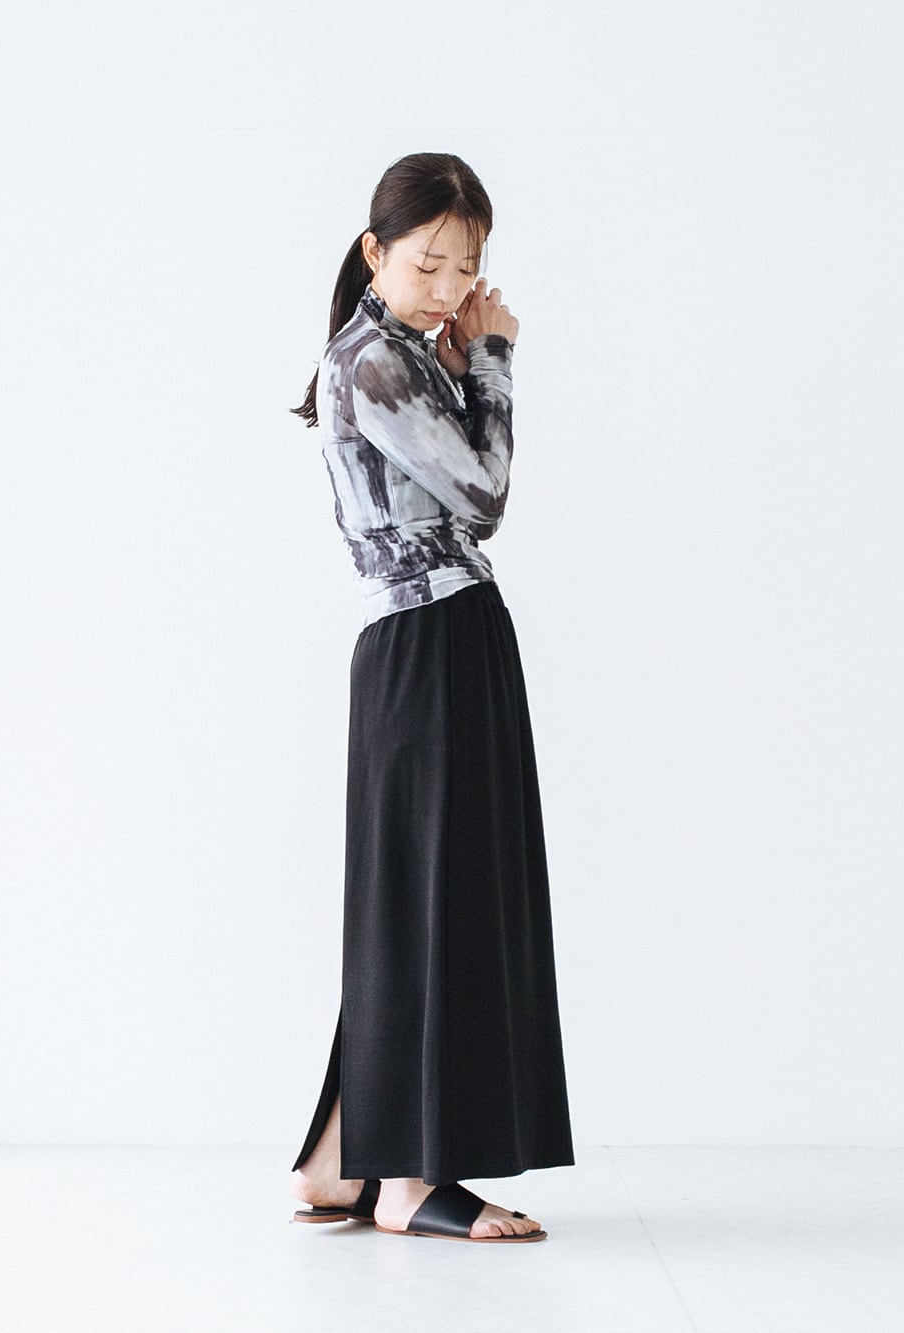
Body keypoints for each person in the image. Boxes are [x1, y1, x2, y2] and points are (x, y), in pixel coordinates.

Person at [284, 152, 574, 1244]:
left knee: (417, 895)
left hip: (436, 638)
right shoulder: (373, 362)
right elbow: (484, 494)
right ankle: (409, 1182)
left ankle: (337, 1161)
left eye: (467, 266)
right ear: (375, 252)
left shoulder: (402, 354)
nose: (450, 286)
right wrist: (492, 359)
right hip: (429, 637)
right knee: (429, 901)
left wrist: (458, 362)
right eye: (427, 263)